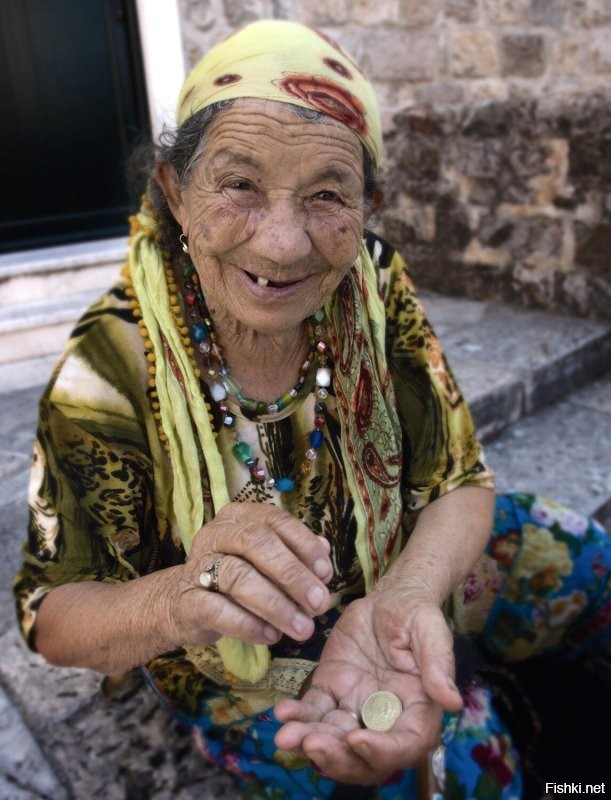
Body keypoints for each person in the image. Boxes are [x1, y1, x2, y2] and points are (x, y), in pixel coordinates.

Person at [14, 19, 610, 800]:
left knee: (590, 562)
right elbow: (55, 615)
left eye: (328, 194)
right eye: (238, 184)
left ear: (370, 205)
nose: (285, 243)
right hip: (245, 654)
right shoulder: (112, 362)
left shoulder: (370, 281)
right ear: (171, 188)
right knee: (457, 770)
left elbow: (461, 480)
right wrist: (184, 596)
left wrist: (403, 596)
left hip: (401, 560)